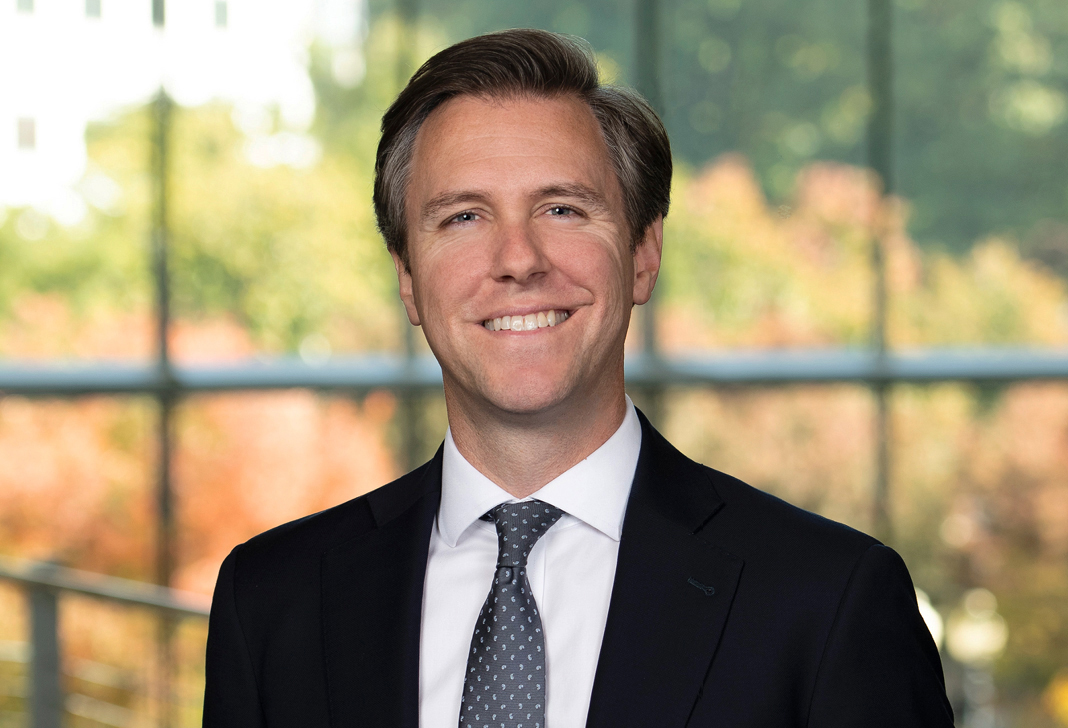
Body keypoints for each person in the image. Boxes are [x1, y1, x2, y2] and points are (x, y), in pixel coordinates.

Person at [203, 29, 954, 727]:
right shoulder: (272, 601)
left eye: (562, 209)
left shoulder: (828, 601)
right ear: (407, 278)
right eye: (463, 217)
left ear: (643, 254)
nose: (518, 260)